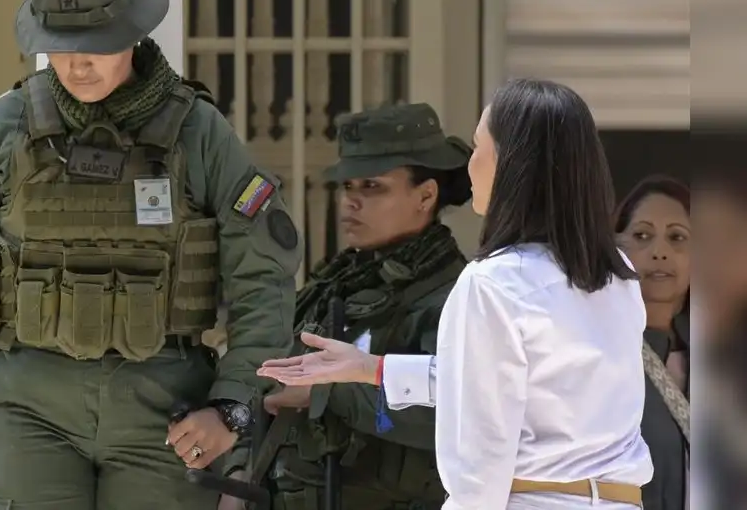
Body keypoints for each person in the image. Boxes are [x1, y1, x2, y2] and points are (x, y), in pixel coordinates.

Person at [0, 0, 301, 510]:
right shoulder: (6, 126)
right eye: (60, 43)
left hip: (163, 408)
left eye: (96, 42)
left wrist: (233, 405)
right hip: (22, 403)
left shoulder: (200, 134)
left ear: (135, 30)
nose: (77, 61)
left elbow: (263, 277)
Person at [257, 78, 655, 509]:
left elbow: (479, 462)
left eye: (478, 146)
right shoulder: (617, 275)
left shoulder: (493, 281)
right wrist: (373, 369)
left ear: (513, 163)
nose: (470, 166)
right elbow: (510, 380)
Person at [246, 104, 471, 510]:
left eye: (372, 187)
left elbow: (452, 413)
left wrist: (330, 394)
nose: (351, 202)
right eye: (347, 187)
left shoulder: (454, 297)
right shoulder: (340, 281)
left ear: (426, 195)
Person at [614, 175, 691, 510]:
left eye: (677, 237)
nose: (659, 252)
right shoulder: (595, 356)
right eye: (642, 236)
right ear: (616, 247)